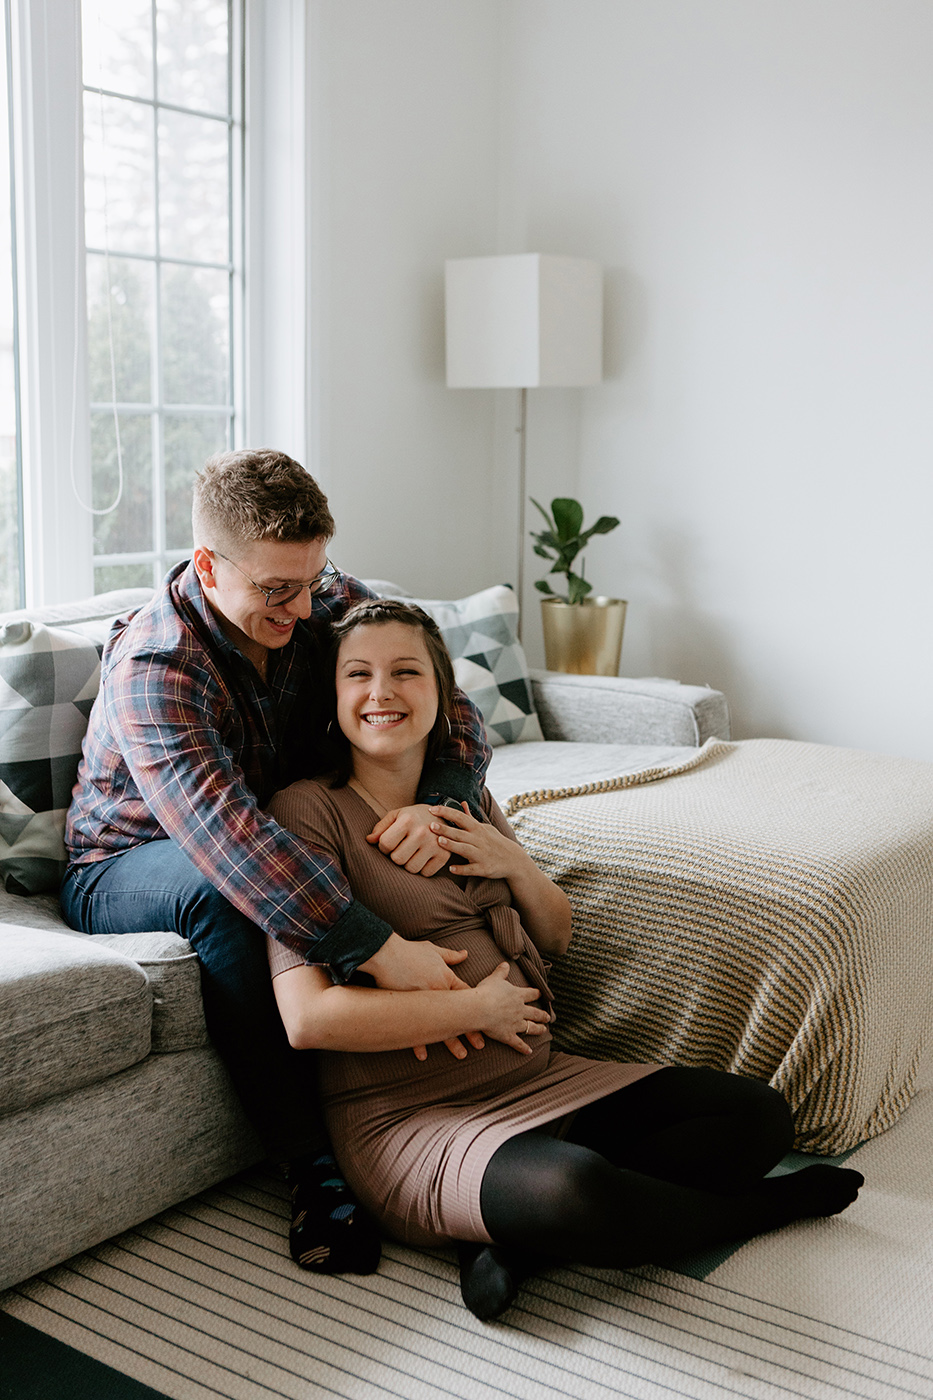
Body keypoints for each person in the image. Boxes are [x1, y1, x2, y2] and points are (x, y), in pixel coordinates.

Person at [266, 598, 865, 1320]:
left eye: (405, 671)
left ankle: (510, 1242)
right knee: (577, 1192)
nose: (381, 692)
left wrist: (509, 861)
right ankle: (756, 1210)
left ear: (441, 690)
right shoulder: (304, 811)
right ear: (333, 697)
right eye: (357, 674)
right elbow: (307, 1018)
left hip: (543, 1080)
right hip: (412, 1117)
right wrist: (473, 1008)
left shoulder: (462, 795)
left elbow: (554, 936)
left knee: (758, 1116)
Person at [60, 449, 492, 1277]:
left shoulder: (318, 590)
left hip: (261, 828)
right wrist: (373, 946)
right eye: (275, 591)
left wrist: (430, 804)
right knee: (231, 895)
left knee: (384, 840)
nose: (302, 607)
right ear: (207, 565)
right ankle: (310, 1164)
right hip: (128, 863)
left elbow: (451, 703)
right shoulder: (156, 665)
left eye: (311, 579)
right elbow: (224, 839)